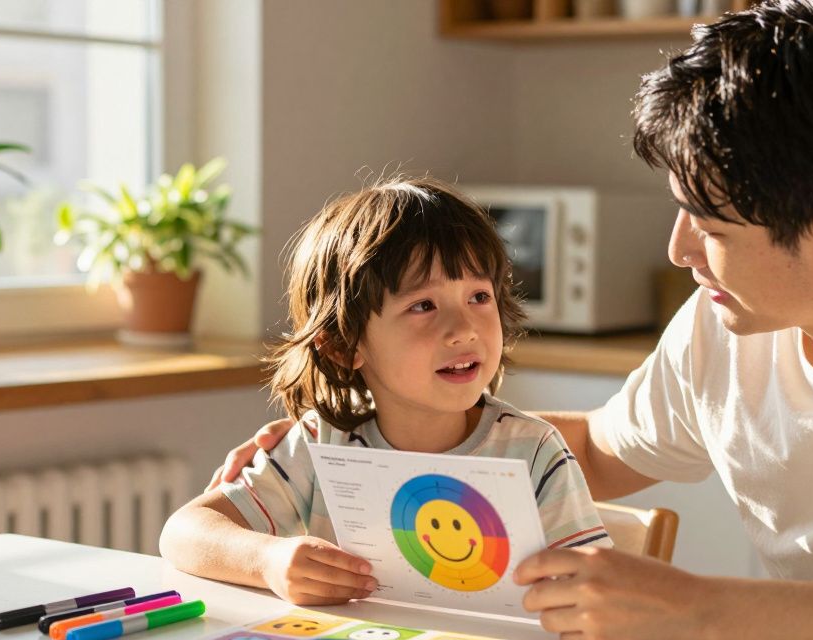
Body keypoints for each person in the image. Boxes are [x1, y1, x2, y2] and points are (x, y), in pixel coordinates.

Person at [209, 1, 813, 640]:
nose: (678, 251)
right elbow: (604, 451)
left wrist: (697, 607)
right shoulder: (730, 318)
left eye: (710, 222)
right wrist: (366, 445)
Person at [161, 176, 610, 606]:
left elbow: (596, 586)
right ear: (343, 345)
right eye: (423, 305)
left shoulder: (533, 452)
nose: (464, 329)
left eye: (479, 297)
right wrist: (269, 561)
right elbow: (184, 532)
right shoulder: (322, 441)